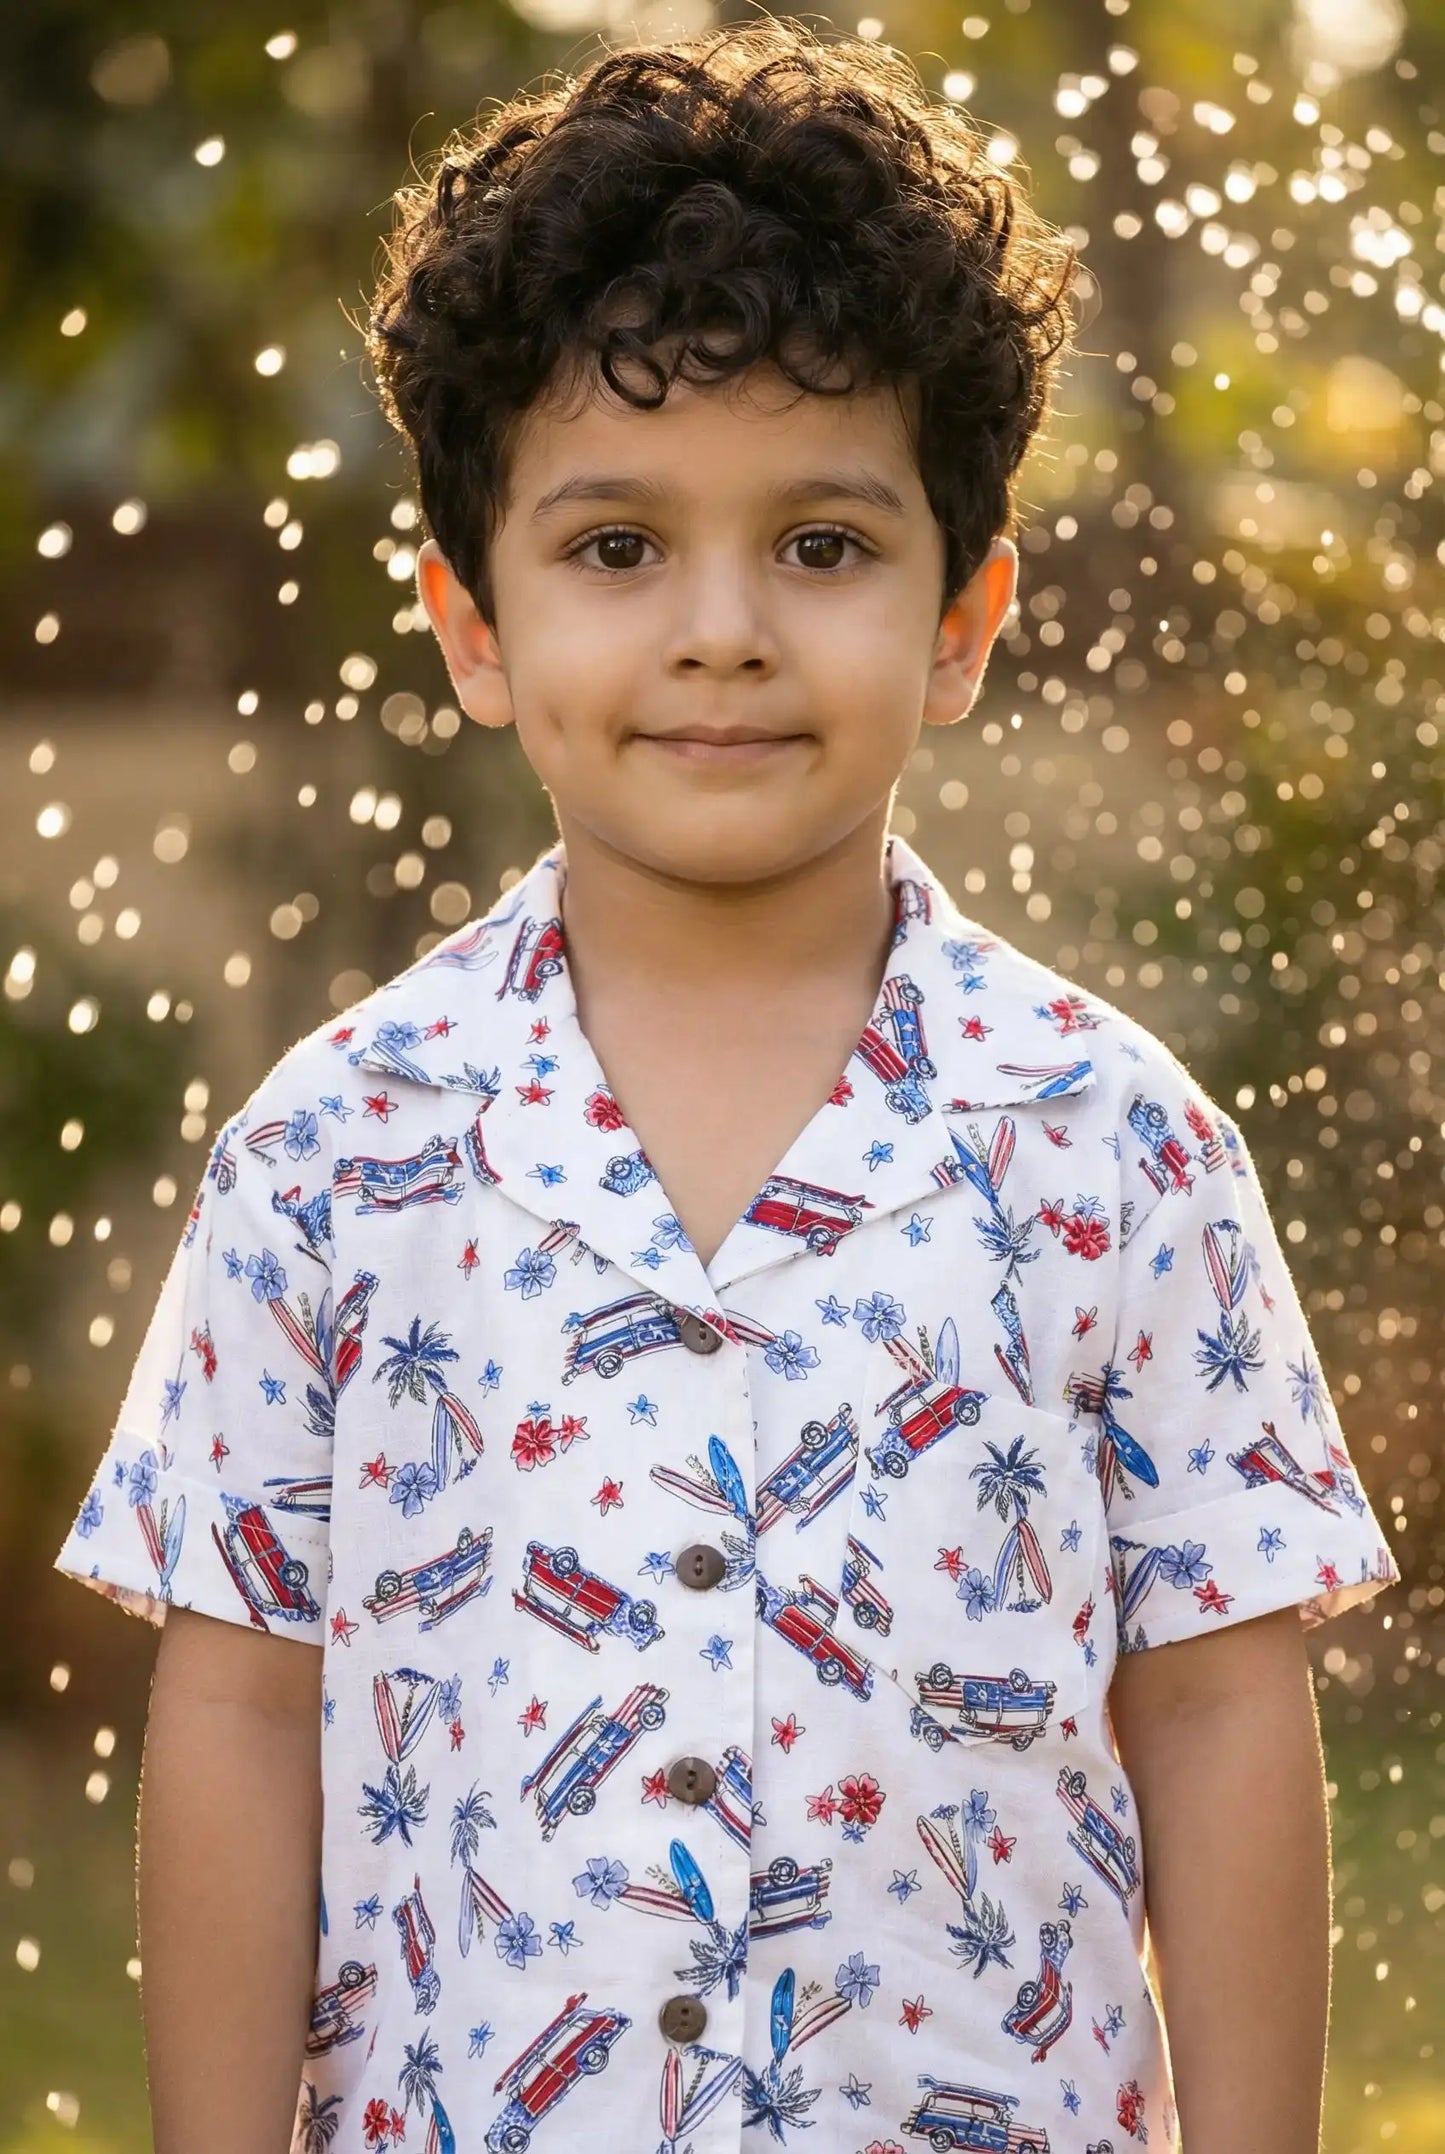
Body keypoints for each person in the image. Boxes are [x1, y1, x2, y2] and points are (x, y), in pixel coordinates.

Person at [54, 19, 1400, 2154]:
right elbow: (238, 1709)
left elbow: (1223, 1705)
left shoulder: (1118, 1148)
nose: (721, 630)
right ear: (470, 625)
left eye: (822, 546)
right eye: (614, 549)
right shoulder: (325, 1157)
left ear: (963, 620)